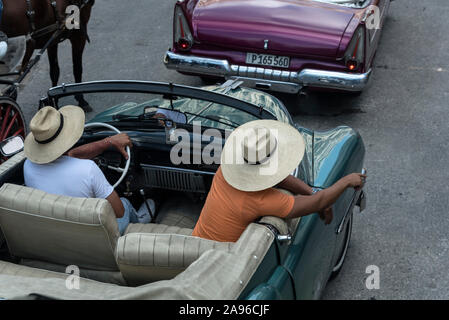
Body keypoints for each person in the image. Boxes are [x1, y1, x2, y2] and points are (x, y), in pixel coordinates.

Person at [192, 119, 366, 242]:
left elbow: (284, 180)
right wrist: (347, 181)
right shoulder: (259, 200)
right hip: (216, 259)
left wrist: (312, 192)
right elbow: (318, 202)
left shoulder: (225, 172)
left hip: (196, 240)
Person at [23, 105, 152, 235]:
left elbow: (68, 156)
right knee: (124, 204)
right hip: (96, 235)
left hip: (55, 232)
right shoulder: (88, 169)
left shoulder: (28, 166)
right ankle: (140, 222)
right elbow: (119, 212)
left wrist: (108, 142)